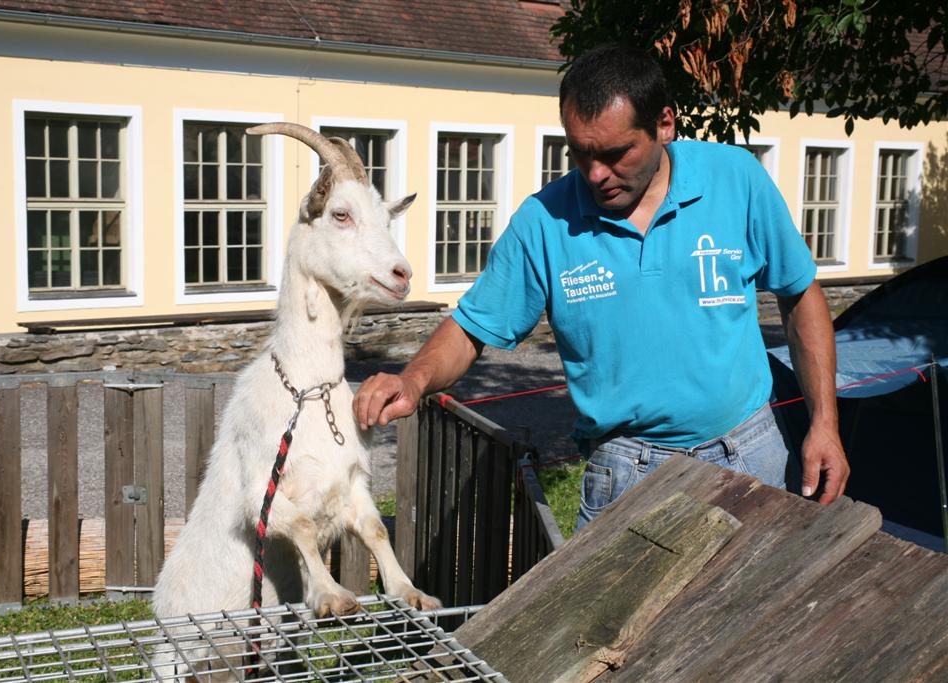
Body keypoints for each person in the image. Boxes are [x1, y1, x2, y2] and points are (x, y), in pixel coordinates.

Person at [353, 45, 849, 529]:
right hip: (629, 473)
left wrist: (824, 422)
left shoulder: (735, 180)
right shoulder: (545, 222)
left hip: (752, 451)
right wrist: (412, 379)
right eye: (580, 154)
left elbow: (800, 295)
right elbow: (472, 327)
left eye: (615, 154)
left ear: (664, 125)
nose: (596, 174)